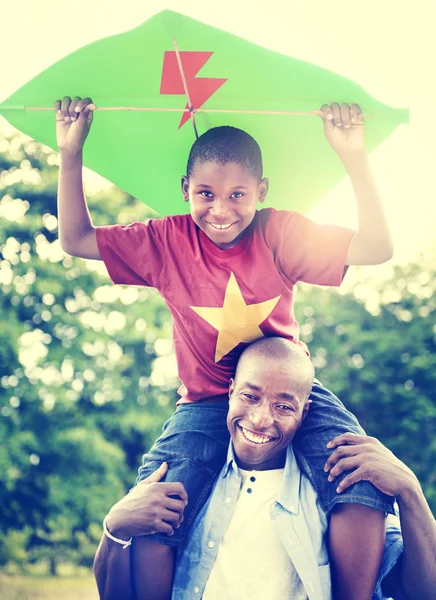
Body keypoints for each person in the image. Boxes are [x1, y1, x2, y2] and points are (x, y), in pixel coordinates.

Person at [55, 95, 394, 599]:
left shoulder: (279, 232)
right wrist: (70, 152)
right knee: (155, 507)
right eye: (206, 194)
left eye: (238, 195)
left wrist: (353, 157)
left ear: (261, 192)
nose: (220, 209)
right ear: (185, 190)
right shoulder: (165, 241)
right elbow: (76, 239)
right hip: (205, 401)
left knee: (362, 482)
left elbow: (376, 249)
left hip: (285, 391)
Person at [94, 338, 436, 600]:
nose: (260, 419)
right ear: (230, 392)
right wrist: (115, 526)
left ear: (305, 412)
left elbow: (425, 589)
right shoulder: (185, 486)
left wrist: (410, 492)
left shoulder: (332, 498)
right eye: (250, 397)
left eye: (284, 405)